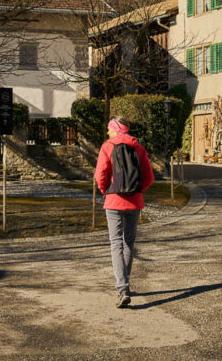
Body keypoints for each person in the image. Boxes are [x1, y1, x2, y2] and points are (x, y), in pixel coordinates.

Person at [94, 116, 154, 308]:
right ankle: (124, 285)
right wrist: (138, 191)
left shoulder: (107, 146)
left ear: (116, 129)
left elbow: (100, 174)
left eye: (109, 128)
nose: (107, 132)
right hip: (135, 202)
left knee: (116, 243)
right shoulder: (139, 147)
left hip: (114, 200)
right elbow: (149, 177)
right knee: (129, 242)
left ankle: (123, 288)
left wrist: (105, 191)